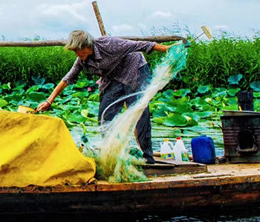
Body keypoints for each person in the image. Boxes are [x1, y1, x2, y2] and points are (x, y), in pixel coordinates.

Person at [36, 30, 169, 163]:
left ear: (87, 46)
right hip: (112, 78)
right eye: (74, 51)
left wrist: (165, 49)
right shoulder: (82, 60)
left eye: (78, 50)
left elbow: (139, 45)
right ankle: (116, 153)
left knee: (139, 113)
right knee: (105, 116)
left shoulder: (109, 44)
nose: (77, 54)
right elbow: (67, 78)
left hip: (134, 70)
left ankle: (148, 157)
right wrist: (49, 100)